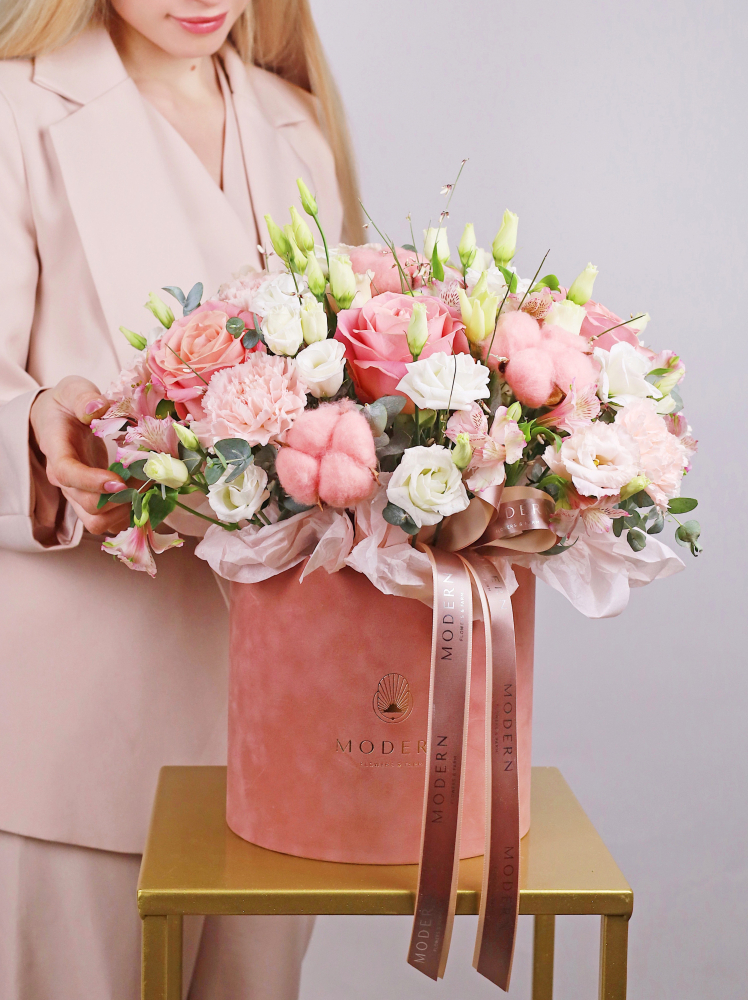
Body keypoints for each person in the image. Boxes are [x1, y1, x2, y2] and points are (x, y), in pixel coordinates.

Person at [0, 1, 362, 997]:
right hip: (75, 722)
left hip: (278, 719)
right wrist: (39, 434)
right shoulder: (14, 112)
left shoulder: (294, 121)